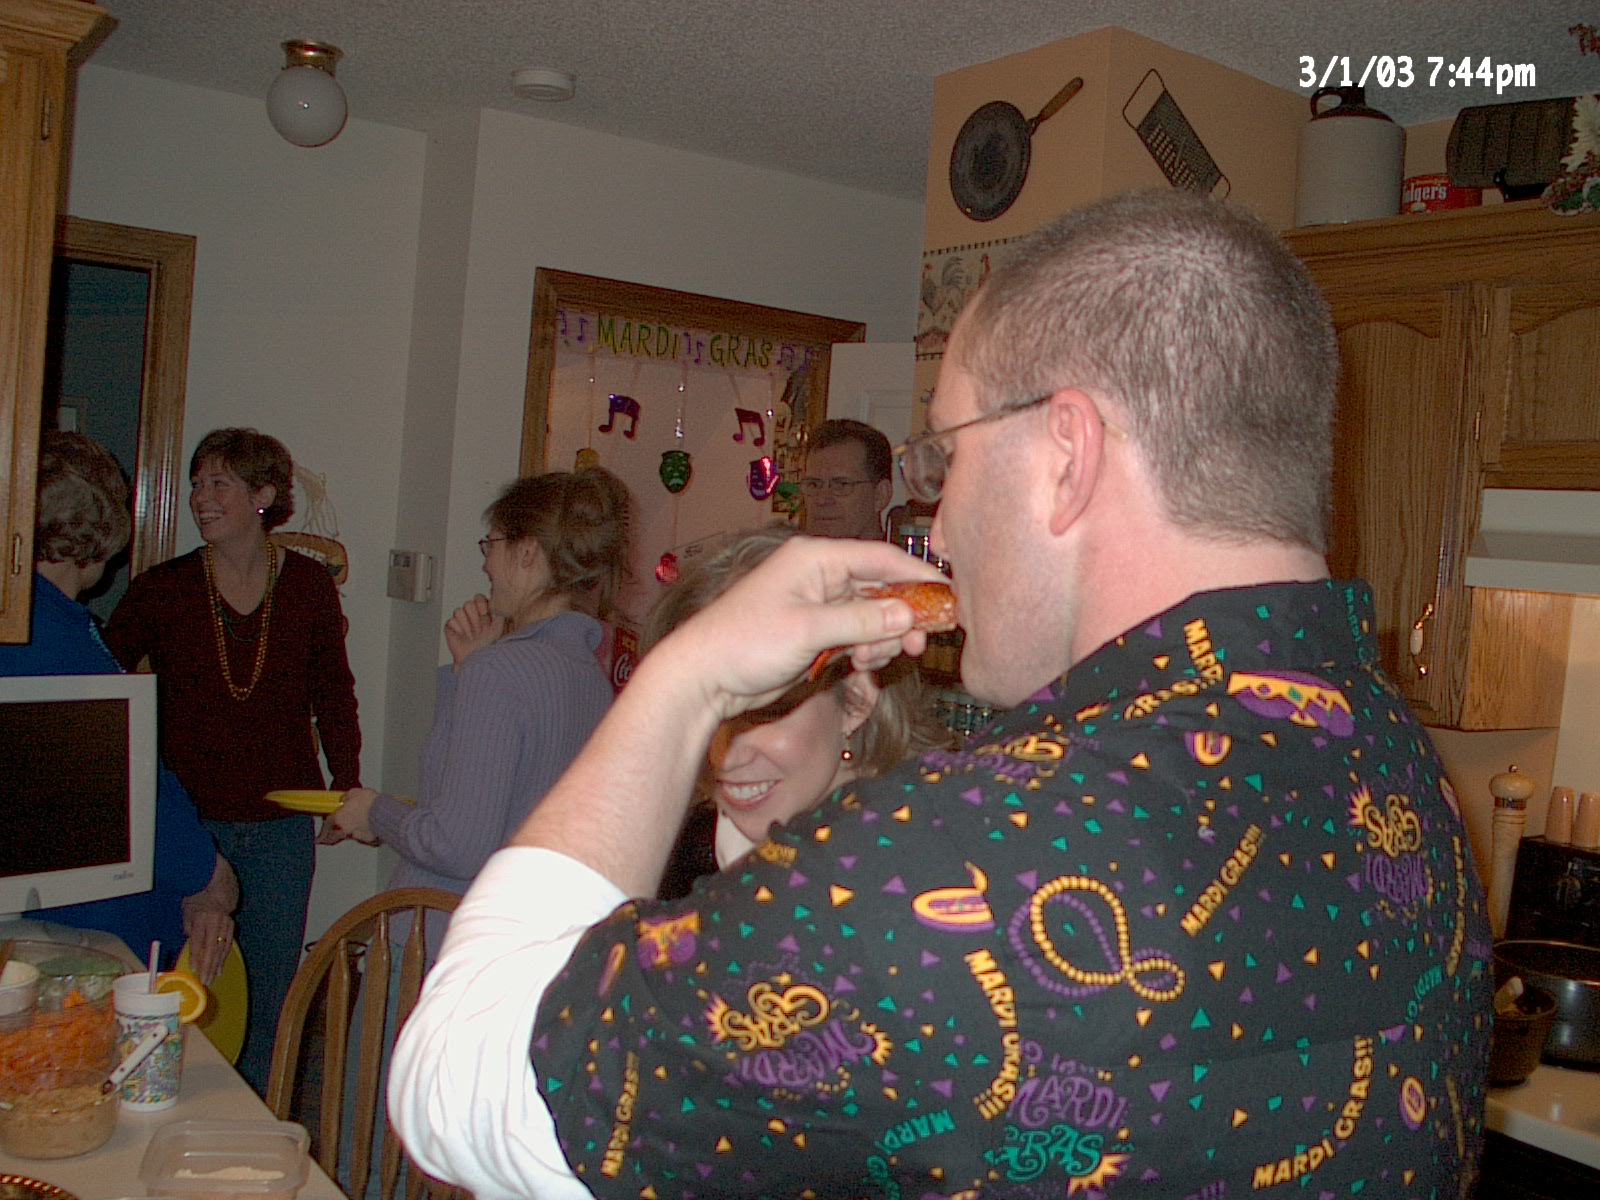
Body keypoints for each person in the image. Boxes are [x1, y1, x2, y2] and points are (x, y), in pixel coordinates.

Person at [390, 190, 1492, 1200]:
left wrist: (687, 678)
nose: (939, 525)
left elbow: (456, 1082)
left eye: (947, 459)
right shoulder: (1402, 771)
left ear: (1067, 455)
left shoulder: (950, 861)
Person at [105, 427, 361, 1095]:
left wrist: (346, 784)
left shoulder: (308, 586)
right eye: (197, 484)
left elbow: (334, 691)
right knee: (181, 985)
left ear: (263, 495)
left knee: (270, 990)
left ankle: (256, 1115)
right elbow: (101, 685)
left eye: (218, 483)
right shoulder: (163, 588)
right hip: (189, 831)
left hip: (280, 828)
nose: (200, 498)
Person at [322, 467, 633, 951]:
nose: (486, 563)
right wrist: (466, 670)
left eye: (493, 544)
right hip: (524, 943)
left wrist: (373, 811)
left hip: (443, 940)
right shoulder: (590, 679)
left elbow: (454, 845)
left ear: (527, 552)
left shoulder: (499, 672)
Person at [0, 431, 237, 981]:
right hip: (78, 931)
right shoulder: (51, 639)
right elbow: (130, 783)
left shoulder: (55, 623)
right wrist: (208, 874)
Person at [647, 525, 950, 893]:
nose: (723, 758)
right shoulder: (704, 849)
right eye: (703, 713)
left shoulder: (907, 868)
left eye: (762, 712)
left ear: (856, 698)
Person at [799, 417, 894, 540]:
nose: (822, 500)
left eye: (841, 485)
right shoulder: (786, 552)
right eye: (813, 485)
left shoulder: (903, 553)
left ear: (880, 495)